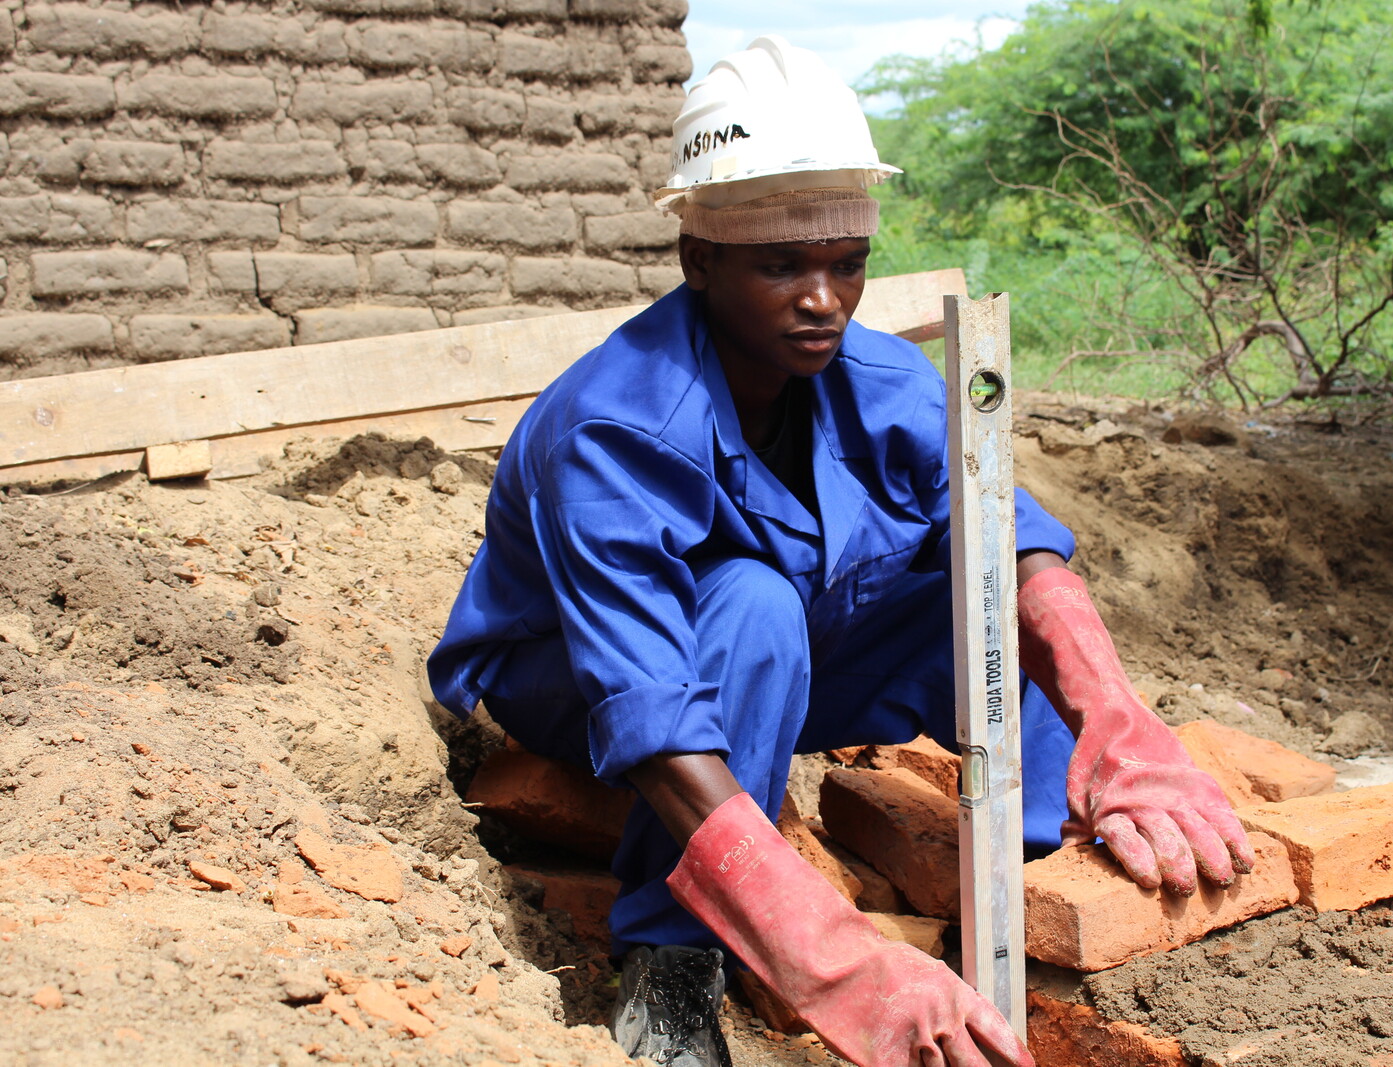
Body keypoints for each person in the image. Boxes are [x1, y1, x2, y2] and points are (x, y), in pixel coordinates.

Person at [429, 35, 1253, 1067]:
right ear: (699, 260)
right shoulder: (619, 426)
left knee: (985, 598)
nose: (823, 298)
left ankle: (1038, 870)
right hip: (580, 680)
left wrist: (1118, 722)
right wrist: (836, 959)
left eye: (846, 264)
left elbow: (1015, 547)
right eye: (781, 266)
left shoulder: (878, 382)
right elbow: (646, 704)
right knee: (753, 602)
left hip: (775, 666)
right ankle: (669, 964)